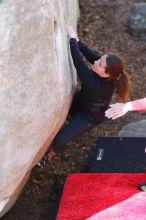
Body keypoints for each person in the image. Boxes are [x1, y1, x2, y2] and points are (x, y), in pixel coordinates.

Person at [38, 26, 131, 165]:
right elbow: (91, 55)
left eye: (99, 64)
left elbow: (79, 63)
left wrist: (72, 41)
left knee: (61, 139)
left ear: (106, 74)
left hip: (90, 117)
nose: (95, 62)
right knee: (69, 113)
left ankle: (49, 156)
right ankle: (70, 119)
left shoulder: (95, 85)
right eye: (100, 59)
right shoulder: (105, 71)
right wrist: (78, 41)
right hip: (83, 100)